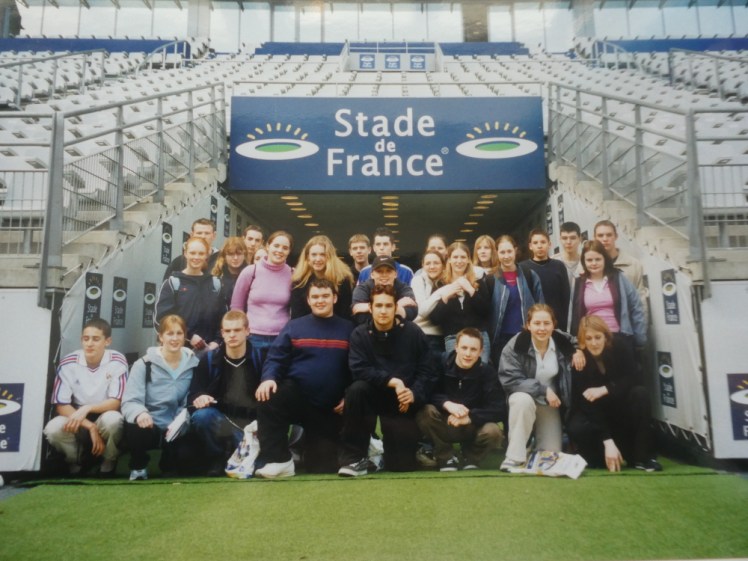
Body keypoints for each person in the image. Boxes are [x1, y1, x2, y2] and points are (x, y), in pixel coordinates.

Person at [253, 279, 355, 478]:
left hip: (330, 408)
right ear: (308, 300)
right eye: (315, 297)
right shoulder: (294, 327)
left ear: (334, 298)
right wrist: (269, 378)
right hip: (298, 399)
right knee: (268, 395)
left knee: (321, 466)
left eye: (325, 296)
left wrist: (348, 396)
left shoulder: (349, 329)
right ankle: (279, 460)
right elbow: (276, 357)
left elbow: (357, 368)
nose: (320, 301)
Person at [339, 285, 437, 476]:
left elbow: (428, 370)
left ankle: (381, 454)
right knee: (356, 390)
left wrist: (414, 393)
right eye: (379, 306)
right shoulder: (359, 334)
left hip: (401, 402)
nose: (383, 311)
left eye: (388, 306)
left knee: (402, 465)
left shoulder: (413, 332)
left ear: (395, 308)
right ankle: (356, 458)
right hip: (372, 394)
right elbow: (359, 369)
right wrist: (392, 381)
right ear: (371, 307)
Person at [567, 315, 662, 472]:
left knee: (640, 394)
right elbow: (586, 403)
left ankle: (642, 458)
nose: (594, 343)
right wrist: (607, 440)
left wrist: (605, 389)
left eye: (598, 337)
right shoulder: (579, 360)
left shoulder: (620, 346)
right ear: (583, 341)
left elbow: (634, 377)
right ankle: (602, 455)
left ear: (606, 336)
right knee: (576, 426)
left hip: (620, 403)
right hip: (596, 411)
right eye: (588, 339)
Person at [498, 304, 581, 472]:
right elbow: (510, 380)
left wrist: (578, 351)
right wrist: (544, 390)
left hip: (549, 404)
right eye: (537, 323)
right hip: (524, 399)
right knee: (522, 400)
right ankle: (514, 456)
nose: (541, 328)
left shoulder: (561, 340)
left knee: (549, 456)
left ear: (553, 325)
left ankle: (533, 444)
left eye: (546, 323)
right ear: (528, 325)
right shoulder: (514, 346)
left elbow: (577, 341)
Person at [44, 319, 128, 477]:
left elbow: (116, 402)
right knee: (53, 429)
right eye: (86, 338)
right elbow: (61, 405)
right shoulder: (68, 362)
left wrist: (88, 408)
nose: (90, 344)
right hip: (77, 415)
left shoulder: (117, 361)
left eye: (96, 339)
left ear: (107, 341)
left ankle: (108, 460)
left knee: (113, 421)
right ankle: (77, 461)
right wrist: (90, 426)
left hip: (104, 412)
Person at [122, 315, 200, 481]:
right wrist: (140, 413)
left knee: (188, 462)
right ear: (161, 336)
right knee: (135, 428)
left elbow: (191, 398)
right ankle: (139, 466)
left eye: (179, 333)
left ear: (185, 336)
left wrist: (180, 420)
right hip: (149, 424)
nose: (174, 338)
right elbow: (130, 400)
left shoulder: (195, 365)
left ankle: (169, 462)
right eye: (169, 333)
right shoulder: (143, 364)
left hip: (177, 426)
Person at [416, 328, 503, 471]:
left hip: (472, 426)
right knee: (425, 411)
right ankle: (446, 456)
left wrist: (471, 417)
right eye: (464, 348)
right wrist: (447, 404)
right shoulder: (440, 363)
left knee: (493, 431)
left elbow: (498, 408)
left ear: (481, 351)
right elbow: (426, 393)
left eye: (473, 349)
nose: (468, 354)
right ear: (456, 347)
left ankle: (471, 457)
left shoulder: (487, 372)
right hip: (444, 422)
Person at [188, 310, 260, 476]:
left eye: (237, 330)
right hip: (222, 422)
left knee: (258, 468)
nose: (232, 335)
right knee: (202, 416)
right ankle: (217, 457)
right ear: (222, 333)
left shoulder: (260, 358)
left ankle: (244, 452)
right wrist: (200, 397)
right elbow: (194, 393)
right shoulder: (208, 360)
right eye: (227, 331)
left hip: (252, 426)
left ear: (247, 331)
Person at [570, 240, 647, 359]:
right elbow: (574, 316)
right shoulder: (579, 283)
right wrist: (576, 346)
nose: (594, 263)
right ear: (584, 262)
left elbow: (636, 306)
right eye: (589, 260)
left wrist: (639, 338)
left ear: (605, 259)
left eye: (598, 259)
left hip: (620, 339)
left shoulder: (619, 278)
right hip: (592, 342)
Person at [231, 230, 293, 372]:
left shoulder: (293, 274)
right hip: (252, 337)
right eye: (276, 245)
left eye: (285, 248)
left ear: (289, 251)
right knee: (251, 380)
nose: (279, 250)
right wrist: (241, 332)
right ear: (267, 246)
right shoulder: (250, 271)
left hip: (281, 338)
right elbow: (236, 306)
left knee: (274, 381)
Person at [156, 236, 226, 358]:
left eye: (201, 253)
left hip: (209, 353)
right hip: (178, 352)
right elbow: (161, 319)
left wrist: (217, 341)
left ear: (207, 255)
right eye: (192, 253)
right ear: (185, 253)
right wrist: (188, 336)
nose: (196, 257)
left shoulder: (215, 284)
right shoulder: (173, 283)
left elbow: (223, 318)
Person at [430, 242, 492, 364]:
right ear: (449, 260)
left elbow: (486, 311)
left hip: (479, 336)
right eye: (455, 257)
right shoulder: (440, 284)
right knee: (456, 374)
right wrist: (445, 298)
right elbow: (435, 319)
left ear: (469, 260)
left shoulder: (479, 282)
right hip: (453, 338)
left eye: (463, 257)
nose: (459, 261)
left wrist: (471, 290)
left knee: (480, 373)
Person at [488, 235, 544, 365]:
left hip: (525, 336)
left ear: (515, 250)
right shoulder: (490, 279)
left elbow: (541, 307)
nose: (506, 256)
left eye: (509, 251)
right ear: (496, 253)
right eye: (502, 252)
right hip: (500, 339)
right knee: (503, 378)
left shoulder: (529, 275)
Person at [290, 234, 354, 320]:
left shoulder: (342, 279)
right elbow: (296, 316)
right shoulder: (299, 281)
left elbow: (345, 313)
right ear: (307, 257)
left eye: (322, 254)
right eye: (314, 255)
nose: (318, 259)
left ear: (330, 257)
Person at [594, 220, 649, 317]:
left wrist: (641, 330)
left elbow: (641, 302)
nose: (605, 239)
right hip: (597, 327)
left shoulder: (633, 264)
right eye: (600, 235)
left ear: (616, 236)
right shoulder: (586, 266)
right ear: (594, 238)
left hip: (627, 327)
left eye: (609, 235)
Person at [520, 229, 571, 332]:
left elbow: (566, 297)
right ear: (530, 246)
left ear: (549, 244)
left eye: (543, 242)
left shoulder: (559, 266)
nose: (539, 246)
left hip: (557, 321)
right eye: (535, 243)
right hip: (534, 322)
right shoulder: (523, 268)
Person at [351, 256, 418, 325]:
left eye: (388, 271)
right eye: (379, 271)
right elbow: (359, 316)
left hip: (398, 329)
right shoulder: (363, 288)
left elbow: (412, 312)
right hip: (369, 330)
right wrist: (397, 306)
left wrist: (368, 308)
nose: (384, 275)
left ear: (395, 274)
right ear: (372, 275)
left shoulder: (403, 287)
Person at [411, 249, 450, 354]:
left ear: (443, 265)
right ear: (423, 265)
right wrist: (440, 292)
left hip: (441, 337)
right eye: (428, 263)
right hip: (420, 334)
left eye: (436, 263)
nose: (432, 267)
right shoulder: (418, 280)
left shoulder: (447, 282)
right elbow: (422, 311)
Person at [553, 221, 584, 330]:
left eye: (573, 238)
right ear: (560, 239)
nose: (568, 242)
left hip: (582, 318)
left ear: (580, 238)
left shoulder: (587, 262)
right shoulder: (552, 263)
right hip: (559, 318)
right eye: (565, 238)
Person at [211, 236, 248, 307]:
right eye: (231, 254)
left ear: (244, 255)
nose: (235, 258)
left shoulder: (250, 276)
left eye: (239, 254)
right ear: (224, 256)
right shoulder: (217, 277)